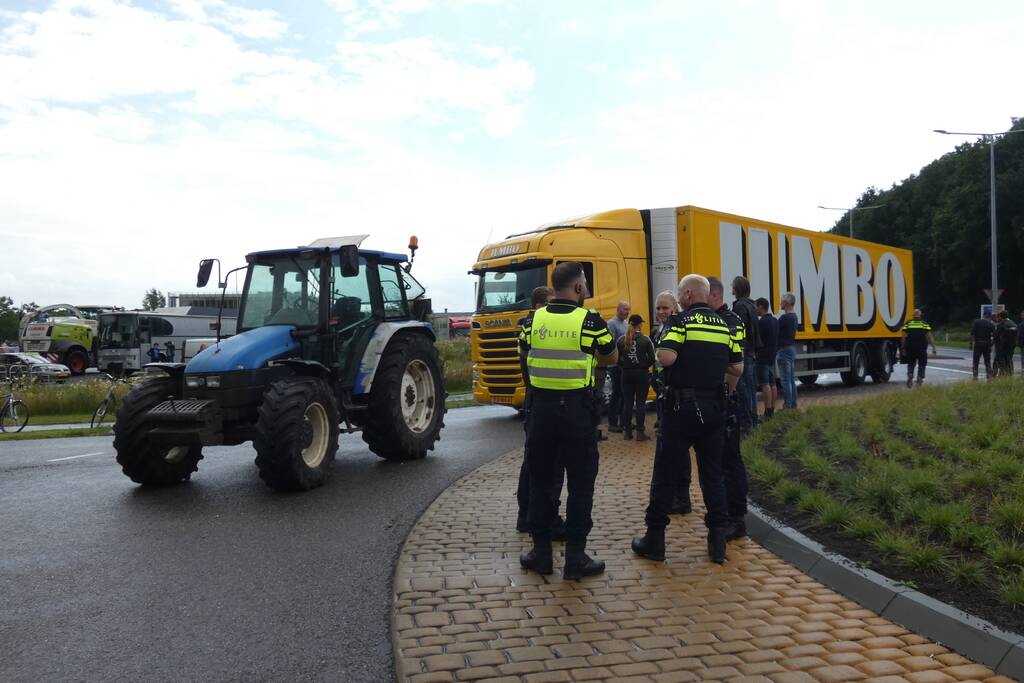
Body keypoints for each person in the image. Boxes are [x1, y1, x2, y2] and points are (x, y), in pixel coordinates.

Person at [632, 274, 743, 565]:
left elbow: (666, 357)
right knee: (713, 476)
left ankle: (654, 540)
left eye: (681, 294)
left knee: (665, 474)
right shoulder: (724, 324)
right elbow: (737, 366)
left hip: (681, 409)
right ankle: (718, 542)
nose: (680, 299)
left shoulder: (680, 322)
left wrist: (662, 356)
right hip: (715, 409)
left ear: (690, 296)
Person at [518, 262, 617, 580]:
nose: (586, 290)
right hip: (577, 413)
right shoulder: (590, 321)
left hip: (541, 413)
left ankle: (541, 554)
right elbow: (611, 357)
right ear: (577, 288)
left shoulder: (532, 321)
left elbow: (524, 352)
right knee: (580, 486)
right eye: (585, 285)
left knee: (541, 483)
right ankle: (575, 558)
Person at [515, 286, 561, 535]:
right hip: (542, 400)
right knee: (543, 464)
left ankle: (526, 515)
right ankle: (537, 516)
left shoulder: (528, 327)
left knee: (532, 461)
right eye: (550, 303)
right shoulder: (535, 327)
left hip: (535, 399)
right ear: (538, 306)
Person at [708, 276, 750, 541]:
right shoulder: (718, 319)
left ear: (713, 295)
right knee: (719, 463)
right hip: (718, 402)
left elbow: (735, 366)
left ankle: (737, 518)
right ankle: (724, 515)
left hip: (728, 403)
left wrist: (724, 397)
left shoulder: (732, 321)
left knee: (730, 462)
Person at [652, 291, 691, 515]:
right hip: (663, 395)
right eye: (658, 308)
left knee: (679, 450)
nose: (661, 312)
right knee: (667, 450)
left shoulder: (678, 328)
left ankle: (682, 498)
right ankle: (671, 495)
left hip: (676, 398)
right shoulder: (660, 331)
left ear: (675, 308)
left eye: (665, 308)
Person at [616, 314, 655, 441]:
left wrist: (625, 366)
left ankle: (627, 432)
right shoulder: (645, 339)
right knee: (640, 403)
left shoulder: (621, 340)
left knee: (627, 403)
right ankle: (640, 433)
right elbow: (652, 359)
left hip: (626, 374)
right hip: (641, 374)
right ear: (640, 325)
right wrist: (643, 366)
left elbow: (617, 359)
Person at [731, 276, 761, 424]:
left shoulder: (740, 306)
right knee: (750, 386)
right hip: (751, 351)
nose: (731, 290)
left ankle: (748, 420)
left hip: (744, 351)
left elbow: (739, 329)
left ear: (737, 288)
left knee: (743, 386)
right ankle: (753, 417)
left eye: (733, 287)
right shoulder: (752, 305)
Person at [604, 301, 630, 432]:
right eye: (625, 309)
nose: (627, 312)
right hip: (615, 365)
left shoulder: (626, 324)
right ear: (618, 309)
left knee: (624, 393)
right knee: (617, 392)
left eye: (628, 310)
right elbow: (611, 344)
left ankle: (624, 421)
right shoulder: (611, 324)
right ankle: (612, 423)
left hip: (624, 364)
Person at [755, 298, 779, 419]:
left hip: (762, 356)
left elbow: (758, 340)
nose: (755, 309)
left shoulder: (761, 323)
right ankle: (772, 410)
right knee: (772, 383)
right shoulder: (775, 321)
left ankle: (767, 412)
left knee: (765, 384)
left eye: (756, 307)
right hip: (772, 356)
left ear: (760, 307)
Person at [901, 310, 937, 387]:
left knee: (911, 363)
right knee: (922, 363)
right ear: (920, 315)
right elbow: (929, 336)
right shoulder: (924, 324)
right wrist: (933, 347)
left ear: (913, 315)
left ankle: (910, 374)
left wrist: (903, 348)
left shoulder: (908, 323)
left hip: (910, 347)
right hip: (921, 347)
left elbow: (904, 336)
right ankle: (920, 377)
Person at [776, 293, 799, 409]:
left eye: (782, 301)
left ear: (787, 303)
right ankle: (793, 404)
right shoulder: (794, 316)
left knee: (785, 381)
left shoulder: (784, 318)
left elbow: (775, 331)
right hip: (791, 348)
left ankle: (788, 406)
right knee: (791, 379)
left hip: (784, 350)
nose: (781, 303)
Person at [969, 312, 996, 379]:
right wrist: (991, 344)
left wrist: (971, 344)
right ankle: (989, 374)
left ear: (983, 316)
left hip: (978, 343)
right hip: (987, 344)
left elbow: (972, 334)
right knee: (987, 360)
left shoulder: (976, 322)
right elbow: (995, 336)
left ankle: (975, 375)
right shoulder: (991, 324)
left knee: (976, 360)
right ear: (989, 317)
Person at [994, 309, 1018, 377]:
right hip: (1011, 348)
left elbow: (996, 337)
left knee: (997, 364)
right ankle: (1010, 376)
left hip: (1001, 348)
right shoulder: (1014, 324)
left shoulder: (1000, 325)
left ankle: (995, 378)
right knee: (1009, 362)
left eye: (998, 317)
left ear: (1000, 317)